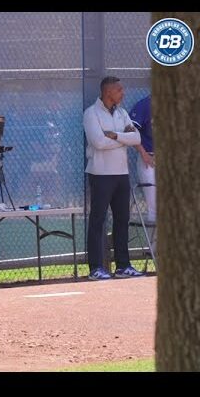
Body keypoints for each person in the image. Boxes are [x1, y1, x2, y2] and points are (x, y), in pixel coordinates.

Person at [83, 76, 145, 280]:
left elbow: (136, 138)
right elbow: (98, 142)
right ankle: (95, 268)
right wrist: (123, 138)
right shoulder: (91, 114)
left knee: (122, 220)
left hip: (122, 175)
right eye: (119, 90)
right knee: (98, 220)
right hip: (100, 175)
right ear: (108, 92)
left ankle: (123, 266)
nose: (122, 93)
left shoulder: (122, 113)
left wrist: (115, 135)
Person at [129, 95, 156, 224]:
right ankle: (156, 244)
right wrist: (144, 153)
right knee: (155, 209)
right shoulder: (145, 104)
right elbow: (130, 131)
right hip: (150, 160)